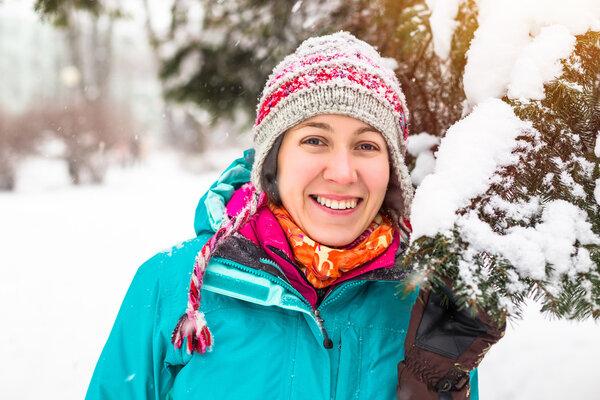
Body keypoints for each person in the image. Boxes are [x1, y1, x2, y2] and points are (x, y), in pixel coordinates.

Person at [86, 32, 504, 400]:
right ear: (273, 163)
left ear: (392, 172)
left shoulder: (428, 300)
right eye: (315, 140)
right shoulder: (172, 286)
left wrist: (431, 388)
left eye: (366, 146)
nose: (342, 172)